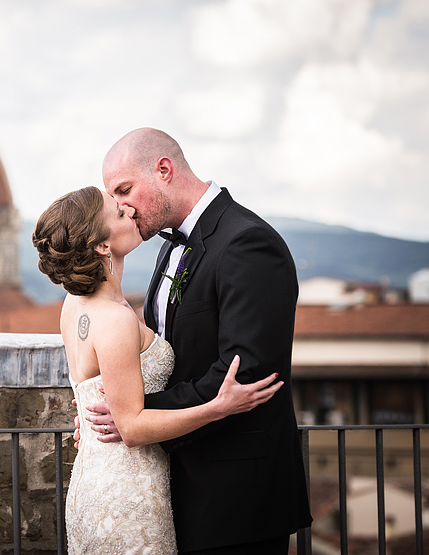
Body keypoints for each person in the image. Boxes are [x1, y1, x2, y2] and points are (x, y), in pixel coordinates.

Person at [84, 127, 312, 554]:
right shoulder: (168, 248)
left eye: (125, 189)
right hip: (175, 490)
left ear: (164, 170)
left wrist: (133, 416)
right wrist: (110, 409)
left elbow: (246, 374)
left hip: (236, 499)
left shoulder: (247, 243)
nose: (121, 207)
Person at [33, 186, 283, 555]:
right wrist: (218, 407)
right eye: (118, 213)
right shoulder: (115, 319)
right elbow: (131, 428)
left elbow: (98, 389)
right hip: (127, 492)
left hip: (95, 478)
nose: (130, 213)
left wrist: (89, 416)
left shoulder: (74, 304)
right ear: (102, 246)